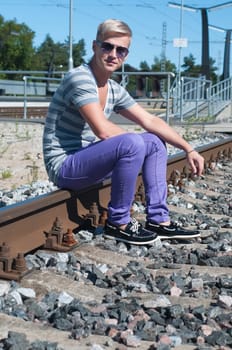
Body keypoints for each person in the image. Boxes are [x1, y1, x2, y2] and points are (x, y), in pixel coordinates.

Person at [43, 19, 204, 246]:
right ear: (95, 46)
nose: (113, 54)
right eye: (107, 46)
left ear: (126, 55)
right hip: (64, 165)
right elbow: (103, 130)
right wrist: (134, 147)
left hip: (88, 159)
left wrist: (189, 148)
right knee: (133, 142)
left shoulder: (114, 89)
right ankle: (118, 222)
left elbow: (148, 119)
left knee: (154, 142)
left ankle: (159, 220)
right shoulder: (80, 78)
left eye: (121, 50)